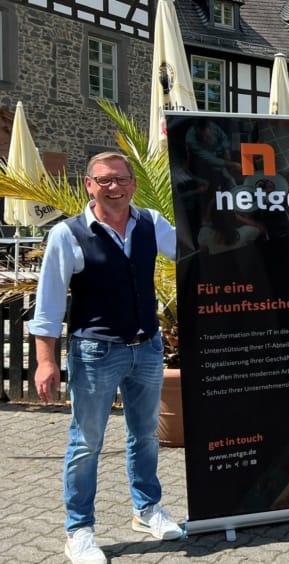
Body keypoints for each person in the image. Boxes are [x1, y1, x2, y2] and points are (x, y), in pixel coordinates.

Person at [30, 152, 182, 564]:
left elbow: (191, 254)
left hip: (147, 347)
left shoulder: (151, 223)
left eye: (120, 179)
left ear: (133, 183)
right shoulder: (68, 234)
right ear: (89, 185)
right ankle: (78, 530)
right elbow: (47, 307)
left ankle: (147, 509)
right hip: (96, 352)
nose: (113, 187)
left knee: (146, 434)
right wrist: (46, 362)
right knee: (86, 443)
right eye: (104, 180)